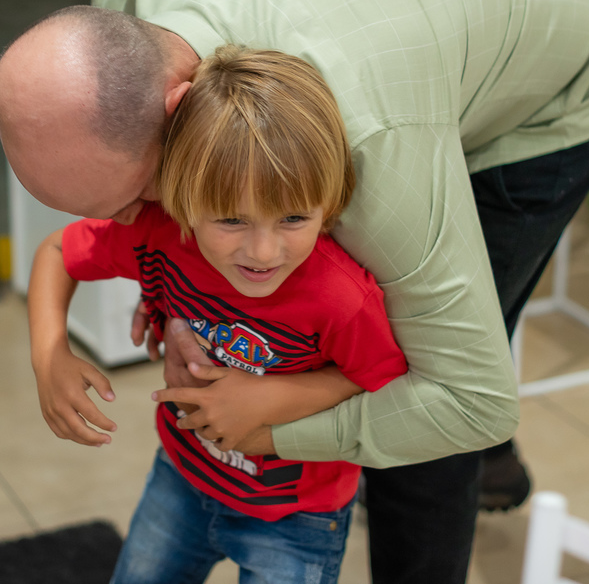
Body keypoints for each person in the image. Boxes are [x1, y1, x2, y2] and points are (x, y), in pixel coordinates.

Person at [0, 0, 589, 583]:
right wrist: (175, 295)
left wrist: (279, 423)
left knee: (426, 441)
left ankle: (465, 469)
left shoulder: (368, 148)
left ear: (175, 109)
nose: (135, 221)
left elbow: (473, 401)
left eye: (132, 200)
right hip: (412, 0)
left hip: (550, 84)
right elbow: (133, 227)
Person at [28, 45, 409, 584]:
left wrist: (271, 398)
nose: (263, 251)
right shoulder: (159, 233)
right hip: (180, 480)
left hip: (296, 520)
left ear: (331, 200)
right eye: (232, 220)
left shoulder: (341, 296)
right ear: (181, 197)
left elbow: (382, 380)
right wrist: (49, 356)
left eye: (294, 218)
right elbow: (56, 254)